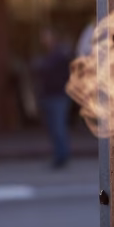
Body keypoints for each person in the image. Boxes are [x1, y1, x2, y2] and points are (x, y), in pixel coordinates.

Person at [33, 25, 74, 168]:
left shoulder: (60, 53)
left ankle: (62, 156)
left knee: (59, 127)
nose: (44, 40)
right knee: (53, 128)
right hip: (48, 95)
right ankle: (58, 155)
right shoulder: (47, 53)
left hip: (59, 95)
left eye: (46, 36)